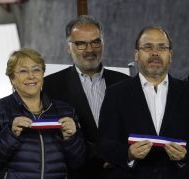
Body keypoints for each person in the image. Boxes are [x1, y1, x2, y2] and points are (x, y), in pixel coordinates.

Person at [0, 48, 86, 179]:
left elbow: (78, 163)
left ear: (42, 74)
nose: (31, 76)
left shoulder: (65, 111)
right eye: (23, 71)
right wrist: (11, 135)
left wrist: (71, 139)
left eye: (36, 70)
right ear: (12, 78)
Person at [43, 15, 129, 179]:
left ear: (103, 44)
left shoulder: (125, 82)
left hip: (121, 172)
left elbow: (135, 126)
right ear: (68, 47)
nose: (90, 49)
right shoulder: (50, 86)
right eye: (81, 44)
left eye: (96, 42)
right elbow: (51, 139)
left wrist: (122, 156)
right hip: (77, 173)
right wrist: (104, 154)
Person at [97, 26, 189, 179]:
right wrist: (128, 154)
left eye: (162, 47)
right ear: (136, 54)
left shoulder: (186, 92)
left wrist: (185, 156)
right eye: (148, 47)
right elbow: (104, 144)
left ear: (170, 55)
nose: (155, 53)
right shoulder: (116, 93)